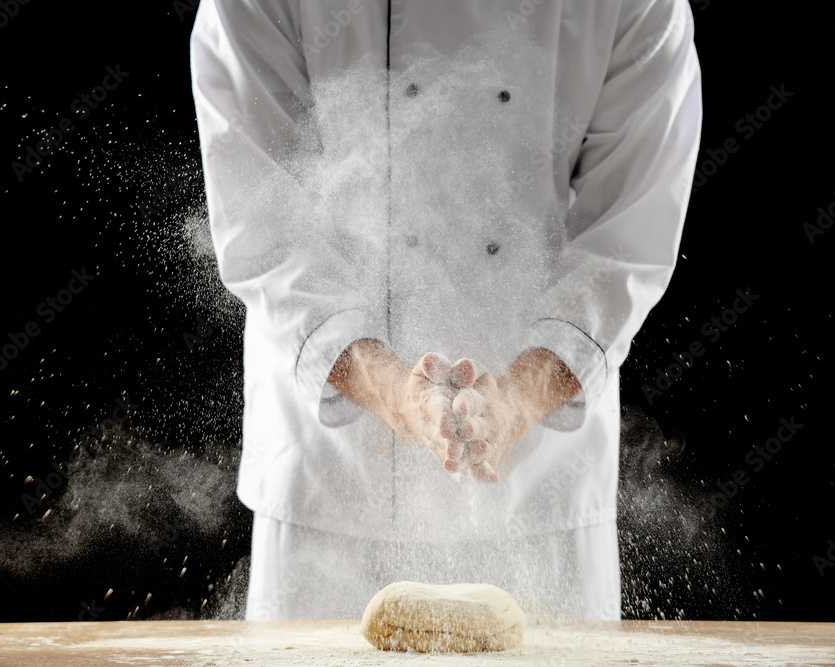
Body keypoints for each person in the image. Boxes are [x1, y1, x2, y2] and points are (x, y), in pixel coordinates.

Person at [190, 0, 702, 621]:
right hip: (336, 483)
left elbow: (627, 237)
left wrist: (514, 400)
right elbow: (265, 219)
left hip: (536, 486)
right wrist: (396, 395)